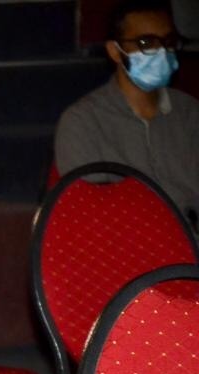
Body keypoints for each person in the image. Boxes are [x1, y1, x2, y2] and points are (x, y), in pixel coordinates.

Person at [54, 0, 199, 225]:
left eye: (168, 41)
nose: (161, 51)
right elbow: (89, 211)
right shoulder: (83, 122)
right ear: (115, 51)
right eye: (146, 43)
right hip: (127, 239)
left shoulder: (189, 113)